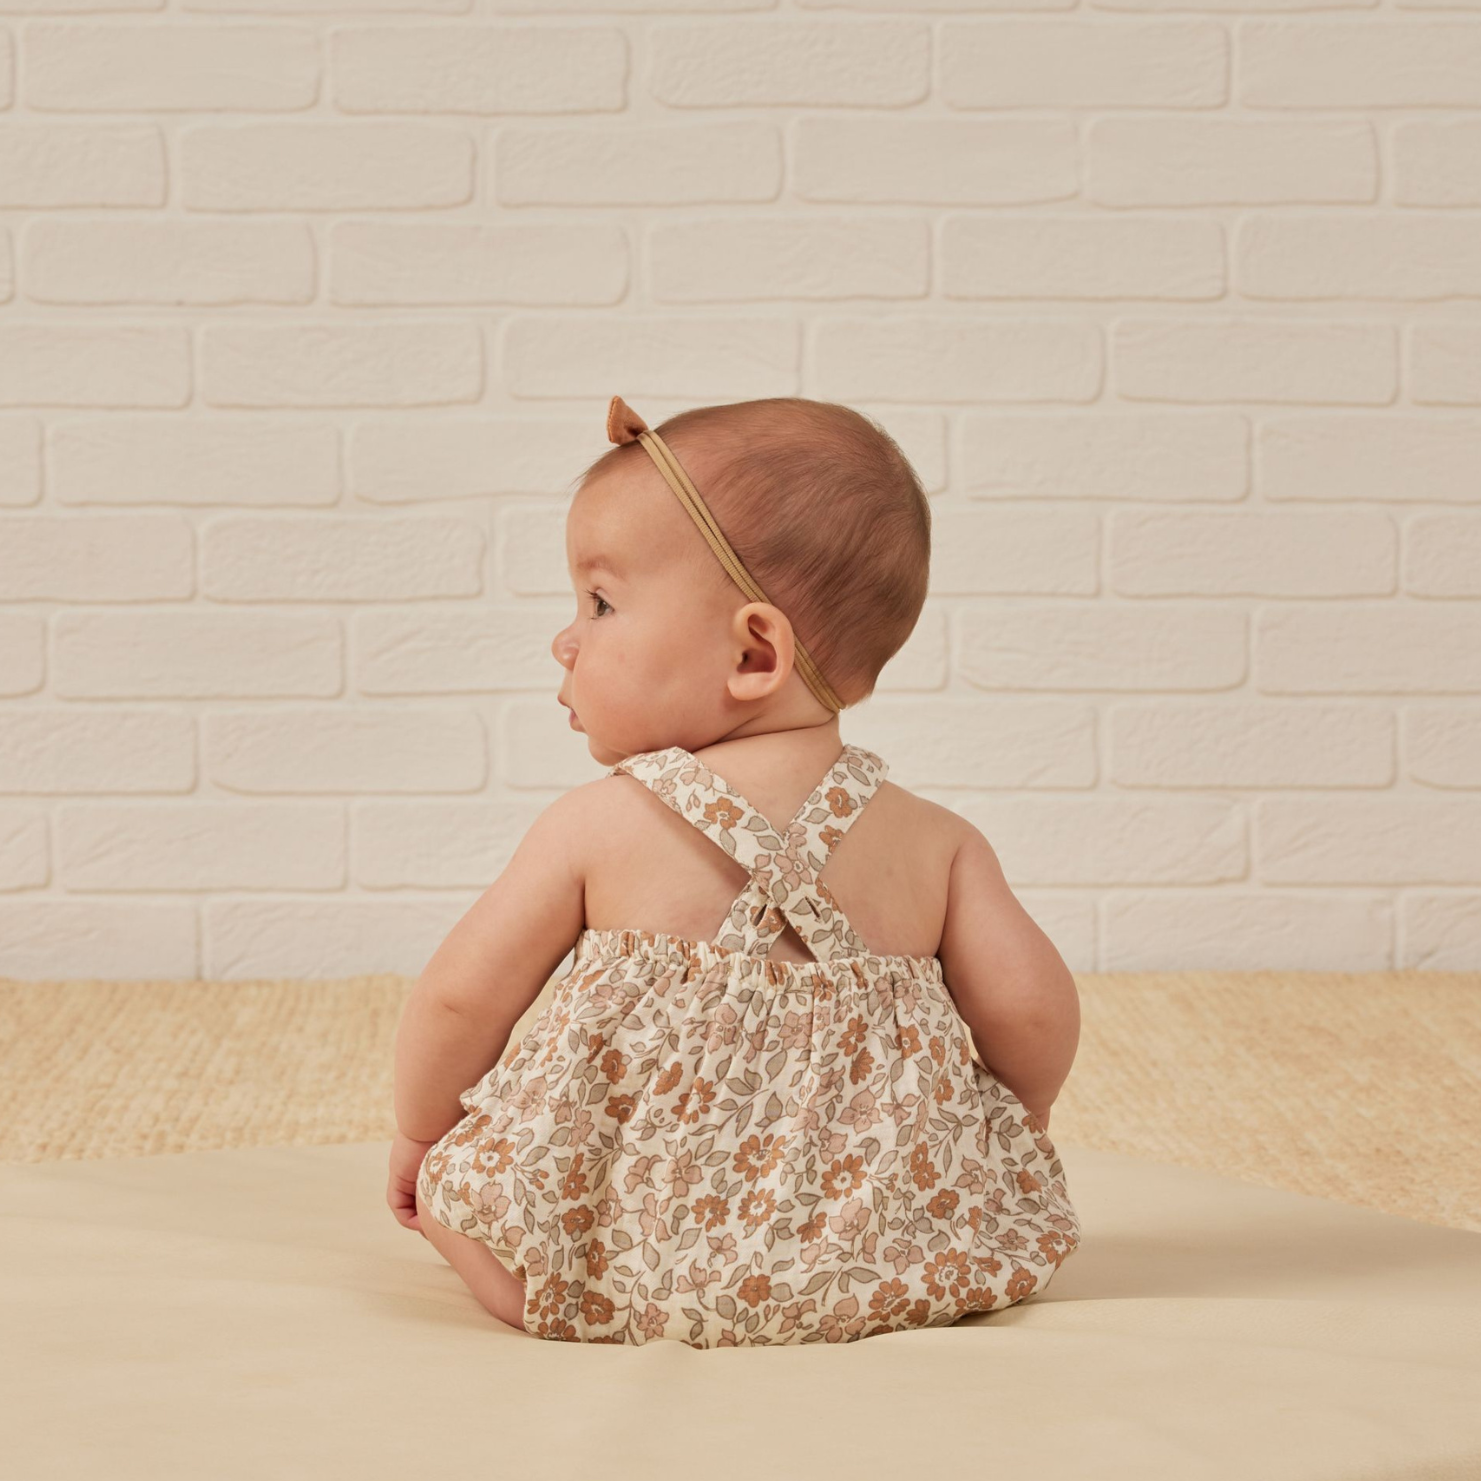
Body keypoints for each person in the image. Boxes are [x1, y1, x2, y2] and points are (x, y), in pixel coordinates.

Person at [388, 394, 1082, 1346]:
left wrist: (421, 1135)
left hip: (633, 1249)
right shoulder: (936, 841)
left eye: (600, 603)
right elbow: (1032, 1011)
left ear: (755, 651)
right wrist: (1014, 1121)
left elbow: (459, 1000)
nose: (565, 639)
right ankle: (864, 1288)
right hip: (869, 1251)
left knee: (459, 1201)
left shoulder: (599, 824)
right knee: (944, 1224)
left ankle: (559, 1297)